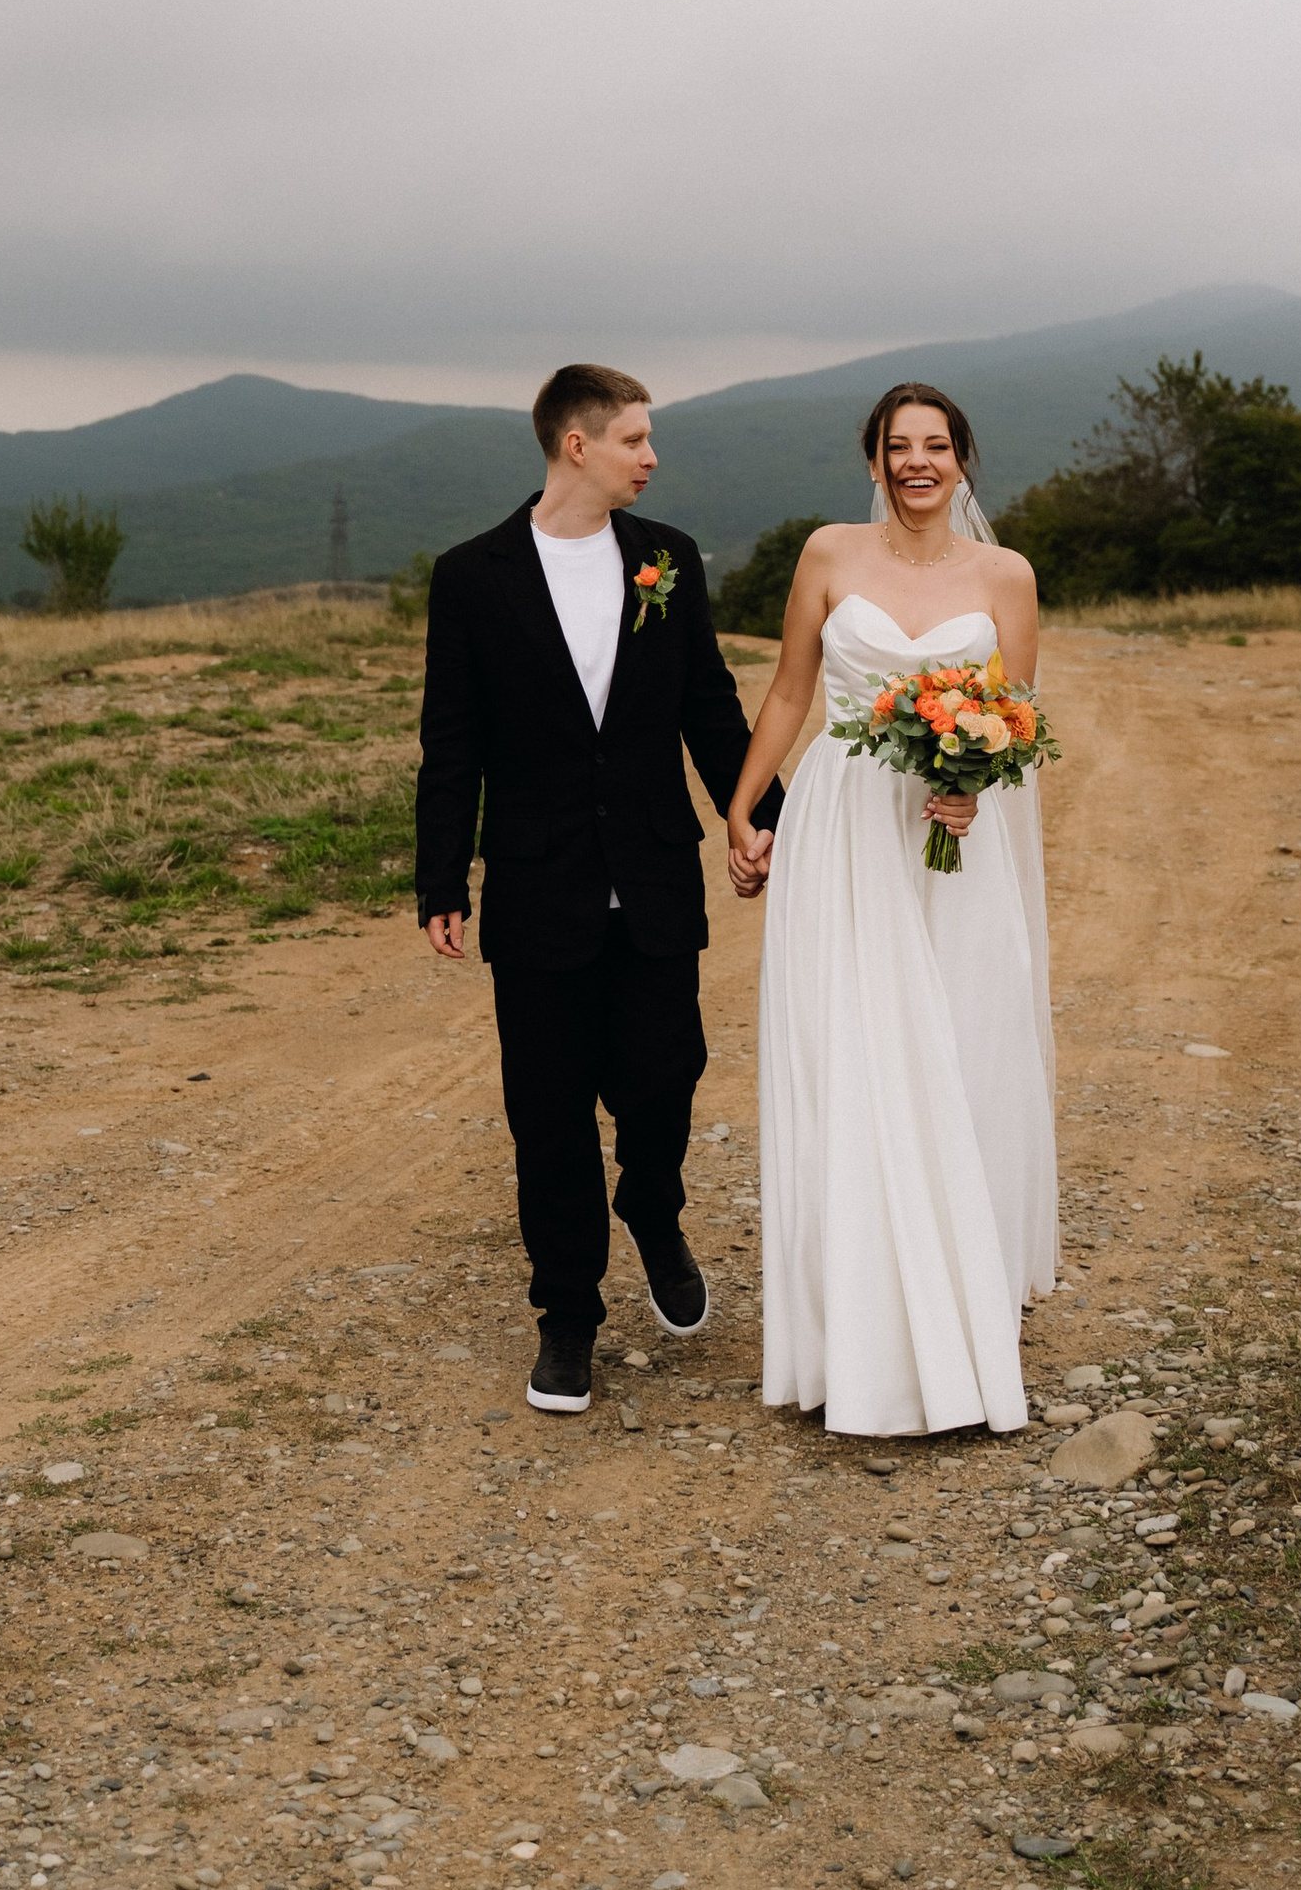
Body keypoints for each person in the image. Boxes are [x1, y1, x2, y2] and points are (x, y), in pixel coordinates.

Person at [415, 361, 779, 1415]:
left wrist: (759, 813)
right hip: (536, 893)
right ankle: (566, 1317)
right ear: (576, 445)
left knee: (666, 1077)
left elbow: (708, 705)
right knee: (548, 1115)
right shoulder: (472, 575)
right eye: (634, 440)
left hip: (655, 879)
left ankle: (653, 1211)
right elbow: (452, 743)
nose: (651, 458)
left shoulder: (666, 561)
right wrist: (442, 876)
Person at [726, 384, 1057, 1437]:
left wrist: (974, 783)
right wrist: (743, 802)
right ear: (873, 460)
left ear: (963, 461)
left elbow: (1014, 716)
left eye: (936, 446)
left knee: (962, 1049)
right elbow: (789, 688)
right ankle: (852, 1333)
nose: (916, 463)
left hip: (954, 838)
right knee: (851, 1055)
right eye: (896, 446)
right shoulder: (828, 554)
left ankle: (961, 1302)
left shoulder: (1006, 576)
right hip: (842, 829)